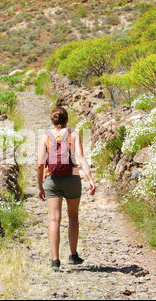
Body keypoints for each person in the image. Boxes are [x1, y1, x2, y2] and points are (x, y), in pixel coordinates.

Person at [37, 107, 96, 271]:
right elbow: (81, 158)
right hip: (72, 179)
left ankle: (55, 260)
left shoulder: (45, 136)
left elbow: (40, 164)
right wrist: (90, 179)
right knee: (73, 217)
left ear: (52, 120)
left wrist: (40, 186)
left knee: (54, 219)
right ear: (66, 120)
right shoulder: (74, 134)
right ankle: (73, 255)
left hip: (52, 180)